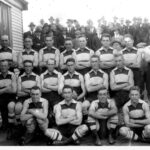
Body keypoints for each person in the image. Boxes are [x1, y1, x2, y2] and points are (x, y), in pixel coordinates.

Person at [0, 60, 17, 132]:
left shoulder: (12, 75)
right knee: (2, 108)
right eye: (2, 65)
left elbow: (14, 90)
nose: (3, 67)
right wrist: (7, 88)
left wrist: (2, 90)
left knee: (11, 106)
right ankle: (5, 125)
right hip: (1, 97)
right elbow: (10, 89)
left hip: (11, 97)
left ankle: (11, 126)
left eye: (5, 65)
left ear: (8, 67)